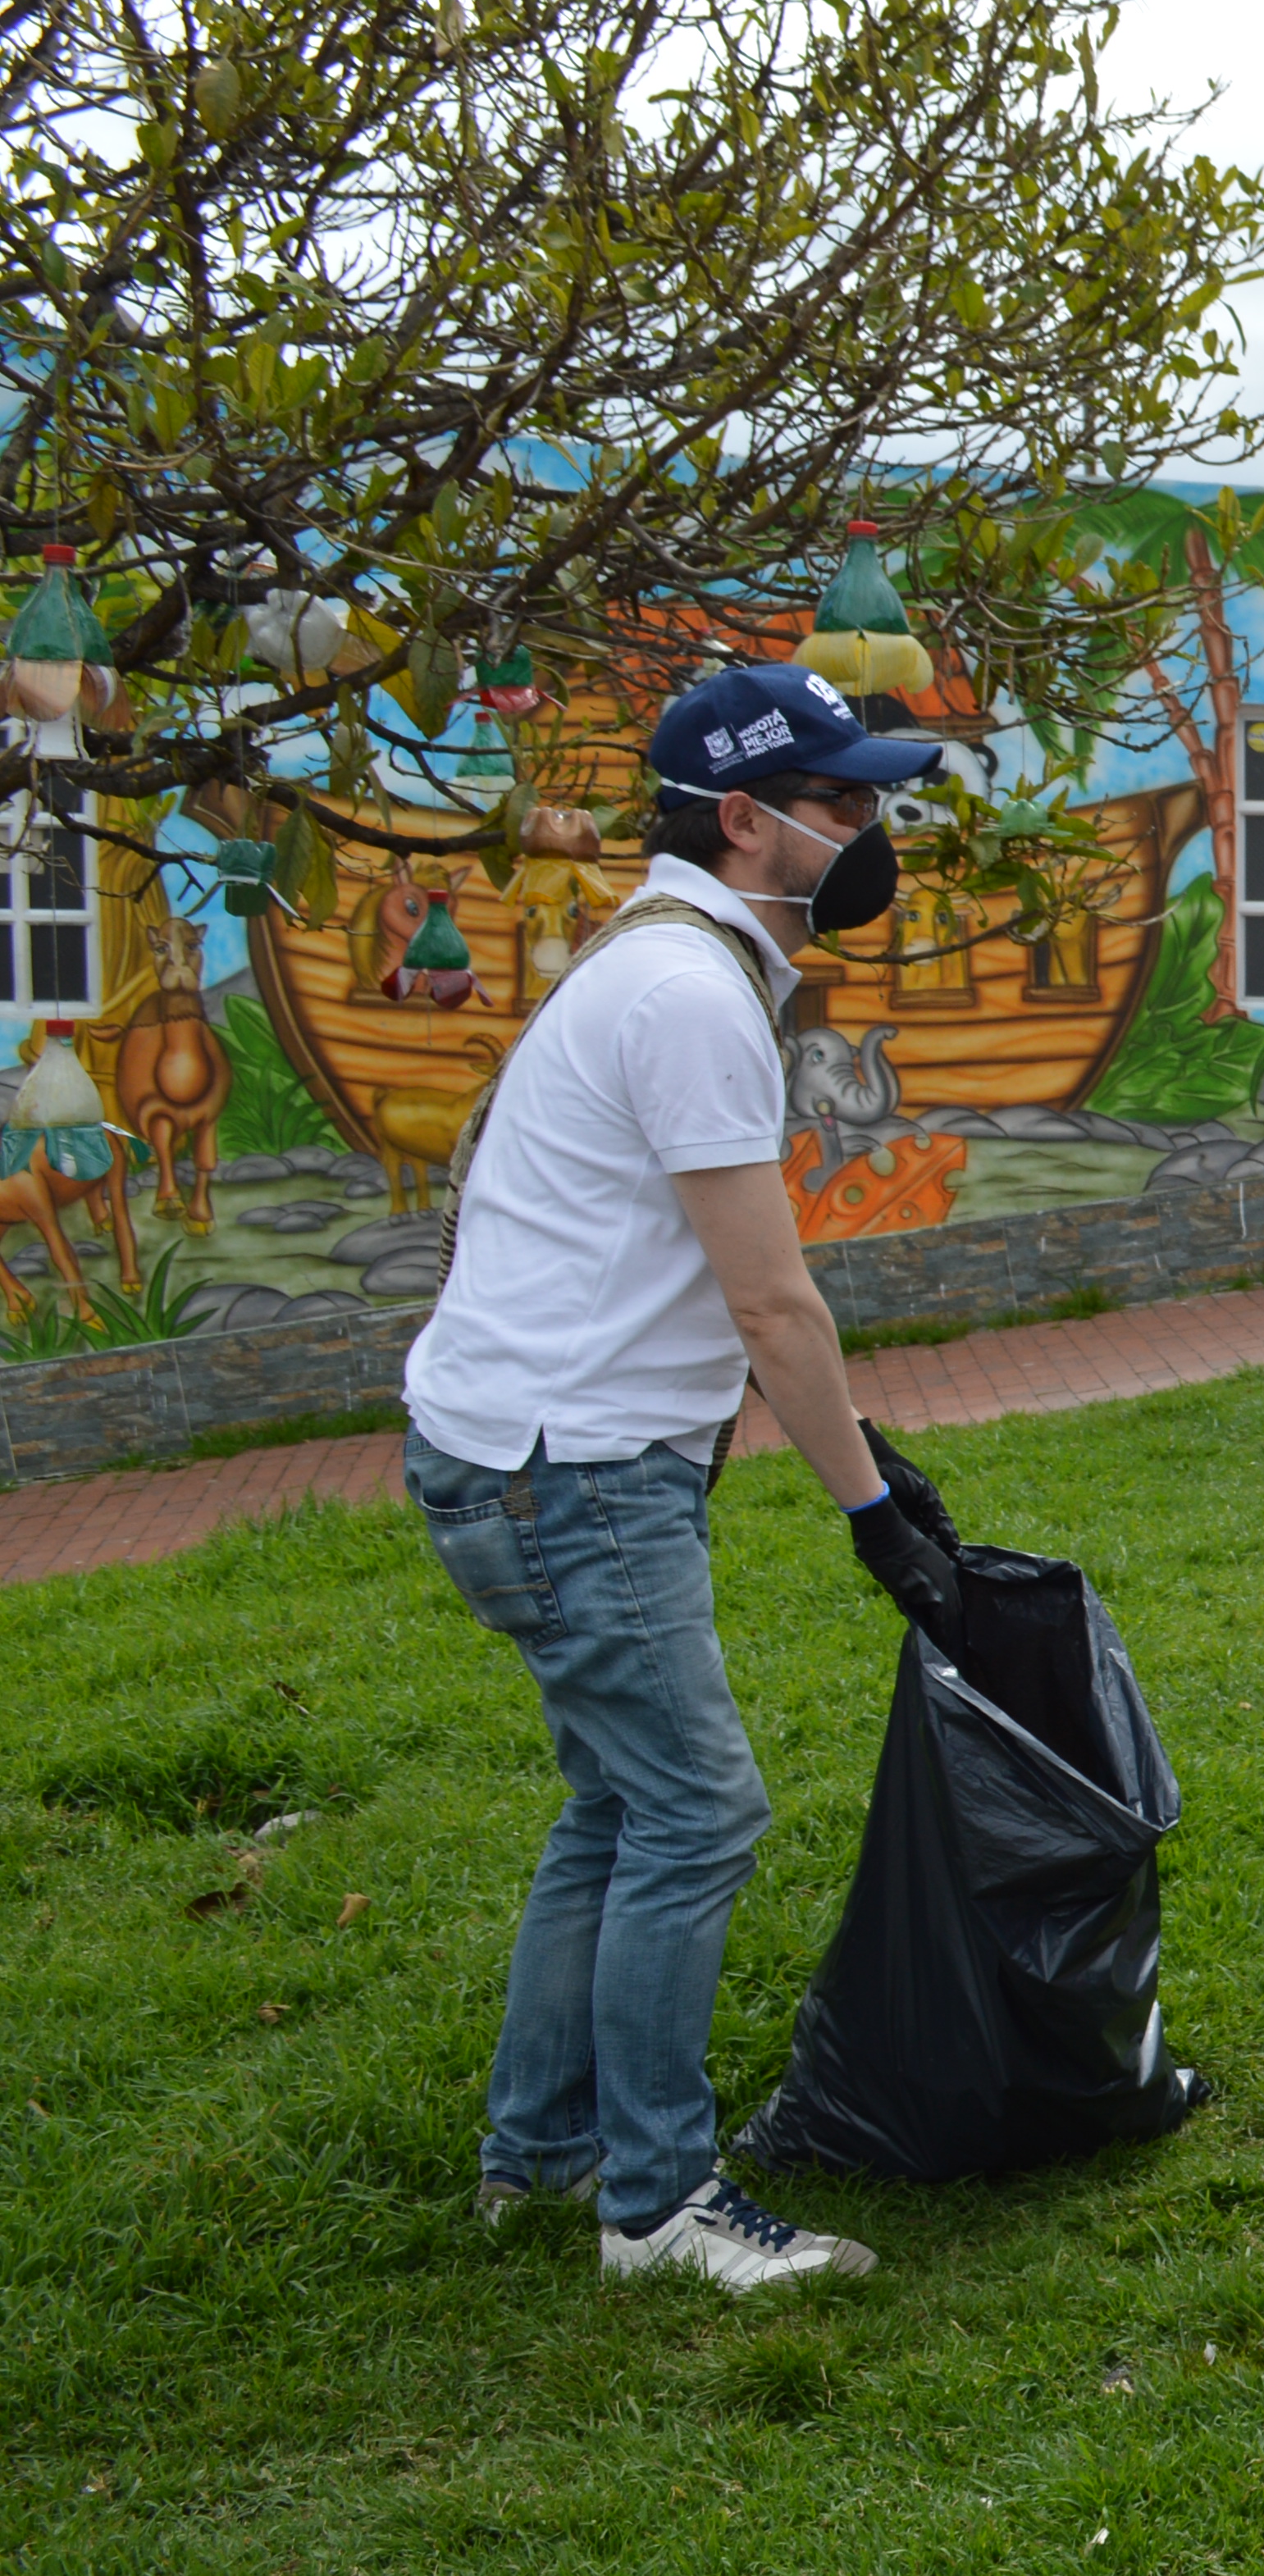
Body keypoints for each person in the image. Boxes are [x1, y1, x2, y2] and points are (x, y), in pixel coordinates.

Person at [408, 661, 964, 2296]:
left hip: (531, 1452)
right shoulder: (690, 996)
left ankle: (541, 2149)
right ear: (745, 817)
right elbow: (771, 1297)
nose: (869, 831)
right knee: (700, 1810)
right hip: (566, 1472)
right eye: (843, 802)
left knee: (619, 1800)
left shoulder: (679, 962)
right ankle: (655, 2202)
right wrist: (872, 1508)